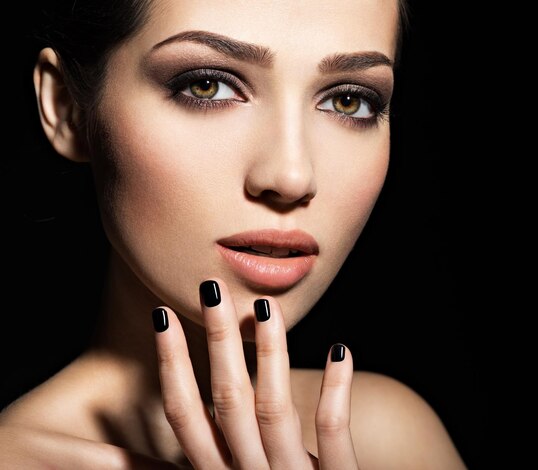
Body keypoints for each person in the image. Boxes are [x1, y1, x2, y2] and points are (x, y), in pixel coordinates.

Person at [0, 0, 468, 468]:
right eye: (207, 85)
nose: (291, 176)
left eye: (349, 100)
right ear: (66, 108)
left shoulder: (389, 434)